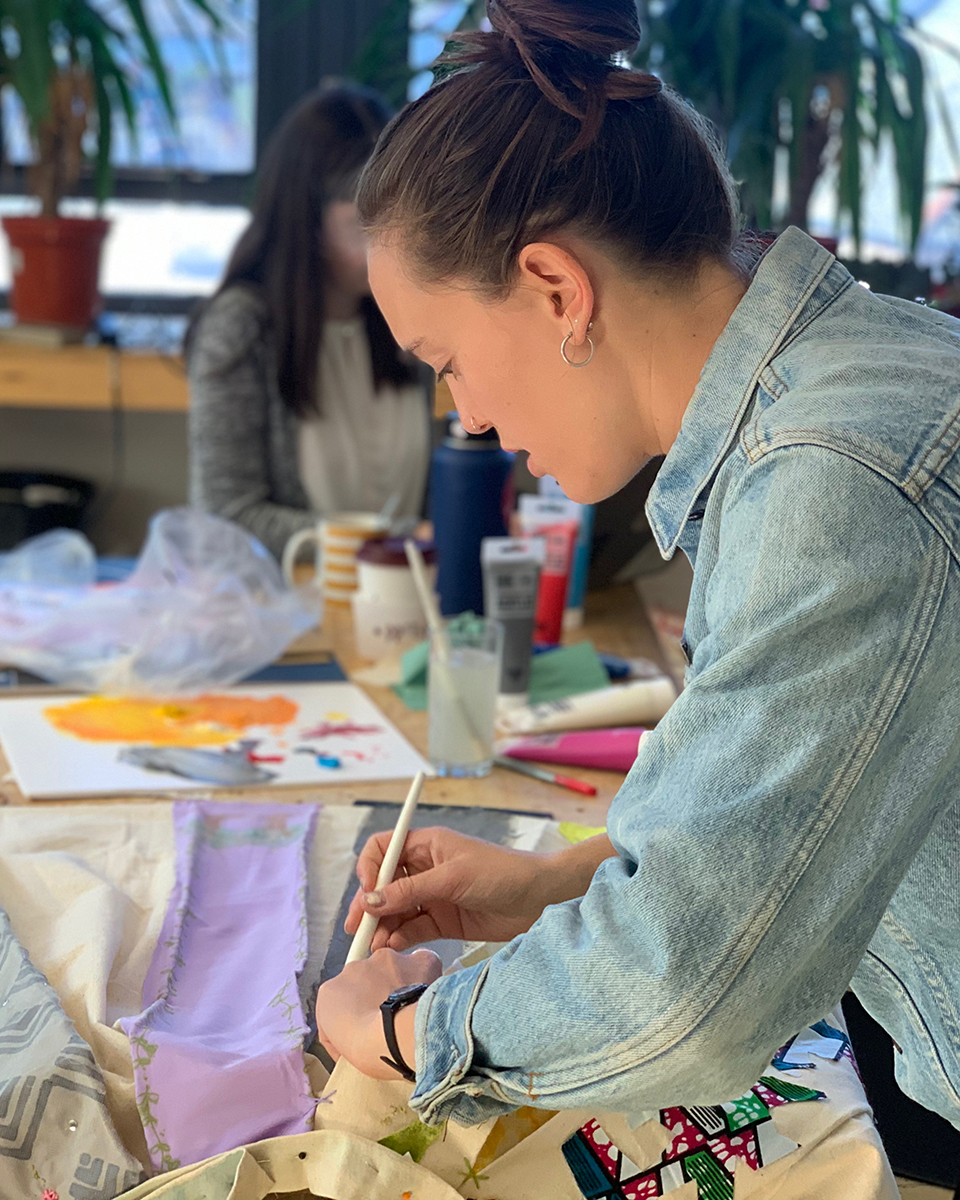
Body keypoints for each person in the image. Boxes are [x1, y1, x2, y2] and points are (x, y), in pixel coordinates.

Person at [315, 0, 960, 1139]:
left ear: (558, 290)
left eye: (449, 361)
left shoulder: (835, 478)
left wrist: (405, 1030)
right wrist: (559, 882)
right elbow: (806, 792)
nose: (465, 418)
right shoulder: (847, 384)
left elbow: (687, 997)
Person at [186, 84, 431, 561]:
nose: (390, 252)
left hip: (402, 606)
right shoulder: (241, 328)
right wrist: (390, 545)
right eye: (364, 228)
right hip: (287, 617)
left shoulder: (406, 322)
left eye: (398, 226)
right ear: (306, 221)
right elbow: (225, 518)